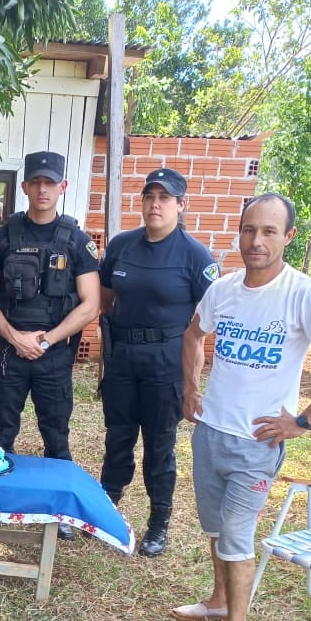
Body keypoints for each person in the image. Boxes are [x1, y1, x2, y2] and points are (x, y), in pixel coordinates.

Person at [174, 193, 311, 621]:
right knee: (215, 529)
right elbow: (194, 334)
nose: (255, 241)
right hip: (211, 432)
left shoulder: (305, 294)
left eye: (268, 232)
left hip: (257, 445)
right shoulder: (223, 289)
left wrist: (304, 421)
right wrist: (192, 387)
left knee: (237, 538)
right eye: (248, 230)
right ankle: (218, 601)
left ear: (289, 237)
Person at [0, 151, 100, 536]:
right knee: (1, 433)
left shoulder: (78, 241)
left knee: (56, 436)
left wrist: (45, 340)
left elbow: (91, 304)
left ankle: (60, 514)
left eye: (51, 182)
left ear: (62, 187)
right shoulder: (3, 236)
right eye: (36, 182)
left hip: (54, 355)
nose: (43, 189)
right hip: (10, 355)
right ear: (26, 187)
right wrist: (15, 337)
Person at [99, 168, 218, 557]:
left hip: (166, 362)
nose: (155, 204)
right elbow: (104, 299)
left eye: (165, 198)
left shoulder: (195, 256)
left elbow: (206, 325)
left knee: (159, 446)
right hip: (123, 358)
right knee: (118, 437)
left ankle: (158, 523)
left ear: (181, 205)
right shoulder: (121, 246)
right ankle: (106, 509)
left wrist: (192, 384)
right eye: (149, 196)